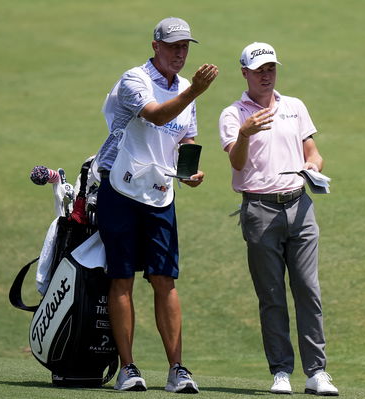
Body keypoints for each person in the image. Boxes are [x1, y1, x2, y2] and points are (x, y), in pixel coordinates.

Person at [95, 17, 218, 393]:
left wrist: (190, 171)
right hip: (120, 186)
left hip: (161, 191)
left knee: (165, 279)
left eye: (185, 47)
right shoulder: (135, 79)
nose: (180, 53)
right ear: (156, 46)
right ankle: (128, 369)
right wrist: (194, 91)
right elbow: (156, 115)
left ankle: (177, 369)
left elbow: (186, 137)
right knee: (122, 277)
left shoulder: (184, 88)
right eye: (173, 46)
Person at [218, 42, 338, 396]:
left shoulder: (294, 107)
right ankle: (281, 371)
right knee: (271, 295)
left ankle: (317, 373)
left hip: (300, 206)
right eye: (259, 70)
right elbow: (236, 163)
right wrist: (245, 134)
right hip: (259, 209)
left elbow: (313, 153)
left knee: (308, 291)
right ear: (245, 73)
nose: (266, 75)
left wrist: (313, 168)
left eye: (271, 68)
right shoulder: (233, 114)